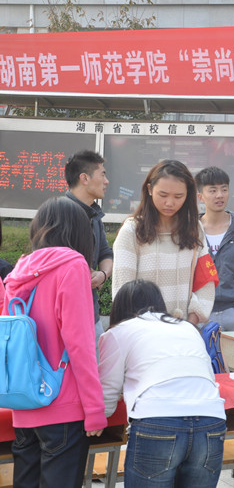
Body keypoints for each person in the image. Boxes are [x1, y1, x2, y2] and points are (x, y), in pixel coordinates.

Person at [3, 197, 106, 488]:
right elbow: (80, 344)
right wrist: (94, 409)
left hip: (23, 404)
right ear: (80, 232)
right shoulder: (72, 266)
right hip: (63, 405)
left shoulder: (18, 271)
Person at [99, 279, 226, 488]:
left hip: (157, 419)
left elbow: (106, 393)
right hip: (211, 419)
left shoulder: (119, 332)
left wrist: (97, 420)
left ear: (118, 308)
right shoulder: (187, 328)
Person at [112, 160, 216, 325]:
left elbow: (206, 280)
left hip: (182, 328)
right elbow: (122, 289)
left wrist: (191, 321)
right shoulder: (132, 230)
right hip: (143, 330)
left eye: (178, 196)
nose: (170, 203)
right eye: (163, 195)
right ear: (149, 189)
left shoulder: (195, 228)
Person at [195, 166, 234, 331]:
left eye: (224, 189)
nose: (220, 195)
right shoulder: (191, 229)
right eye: (213, 190)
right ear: (200, 196)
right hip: (200, 313)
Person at [64, 150, 113, 347]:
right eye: (102, 174)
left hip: (91, 316)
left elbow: (106, 253)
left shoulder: (94, 216)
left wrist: (102, 274)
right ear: (84, 178)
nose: (107, 181)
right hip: (64, 318)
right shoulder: (58, 215)